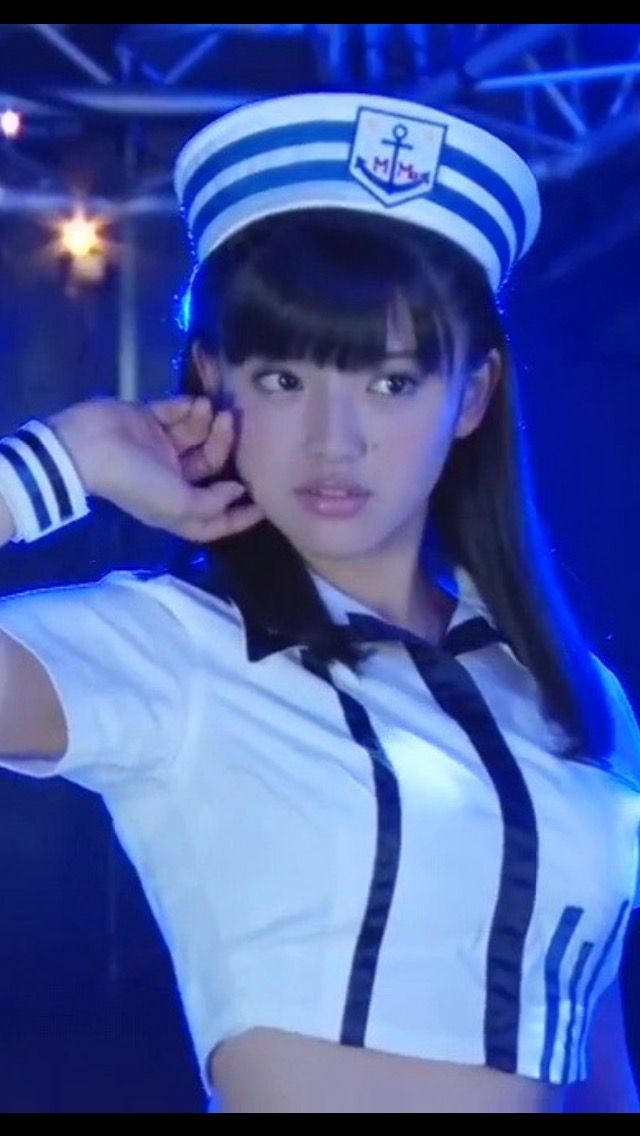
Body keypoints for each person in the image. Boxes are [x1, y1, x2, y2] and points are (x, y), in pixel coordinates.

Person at [0, 90, 638, 1114]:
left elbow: (598, 1060)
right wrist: (60, 461)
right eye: (283, 380)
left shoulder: (575, 691)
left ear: (472, 394)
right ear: (212, 376)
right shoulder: (172, 648)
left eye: (390, 382)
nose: (333, 441)